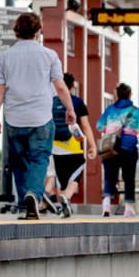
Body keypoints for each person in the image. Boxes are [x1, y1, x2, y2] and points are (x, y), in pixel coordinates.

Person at [0, 12, 75, 221]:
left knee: (19, 162)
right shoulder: (49, 55)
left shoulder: (5, 56)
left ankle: (23, 204)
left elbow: (0, 89)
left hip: (14, 118)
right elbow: (61, 87)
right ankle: (33, 196)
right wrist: (70, 109)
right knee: (39, 159)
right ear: (38, 31)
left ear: (16, 31)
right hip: (41, 118)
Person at [96, 83, 139, 217]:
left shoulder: (110, 109)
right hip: (129, 148)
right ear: (129, 95)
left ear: (117, 94)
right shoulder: (136, 111)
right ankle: (128, 208)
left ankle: (106, 206)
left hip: (111, 148)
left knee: (110, 176)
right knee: (128, 178)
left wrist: (111, 129)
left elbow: (99, 126)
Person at [49, 72, 97, 218]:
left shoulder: (51, 102)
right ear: (72, 86)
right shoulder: (77, 102)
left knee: (62, 181)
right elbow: (85, 125)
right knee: (75, 178)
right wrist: (92, 146)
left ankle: (64, 209)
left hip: (55, 147)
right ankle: (67, 197)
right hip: (73, 147)